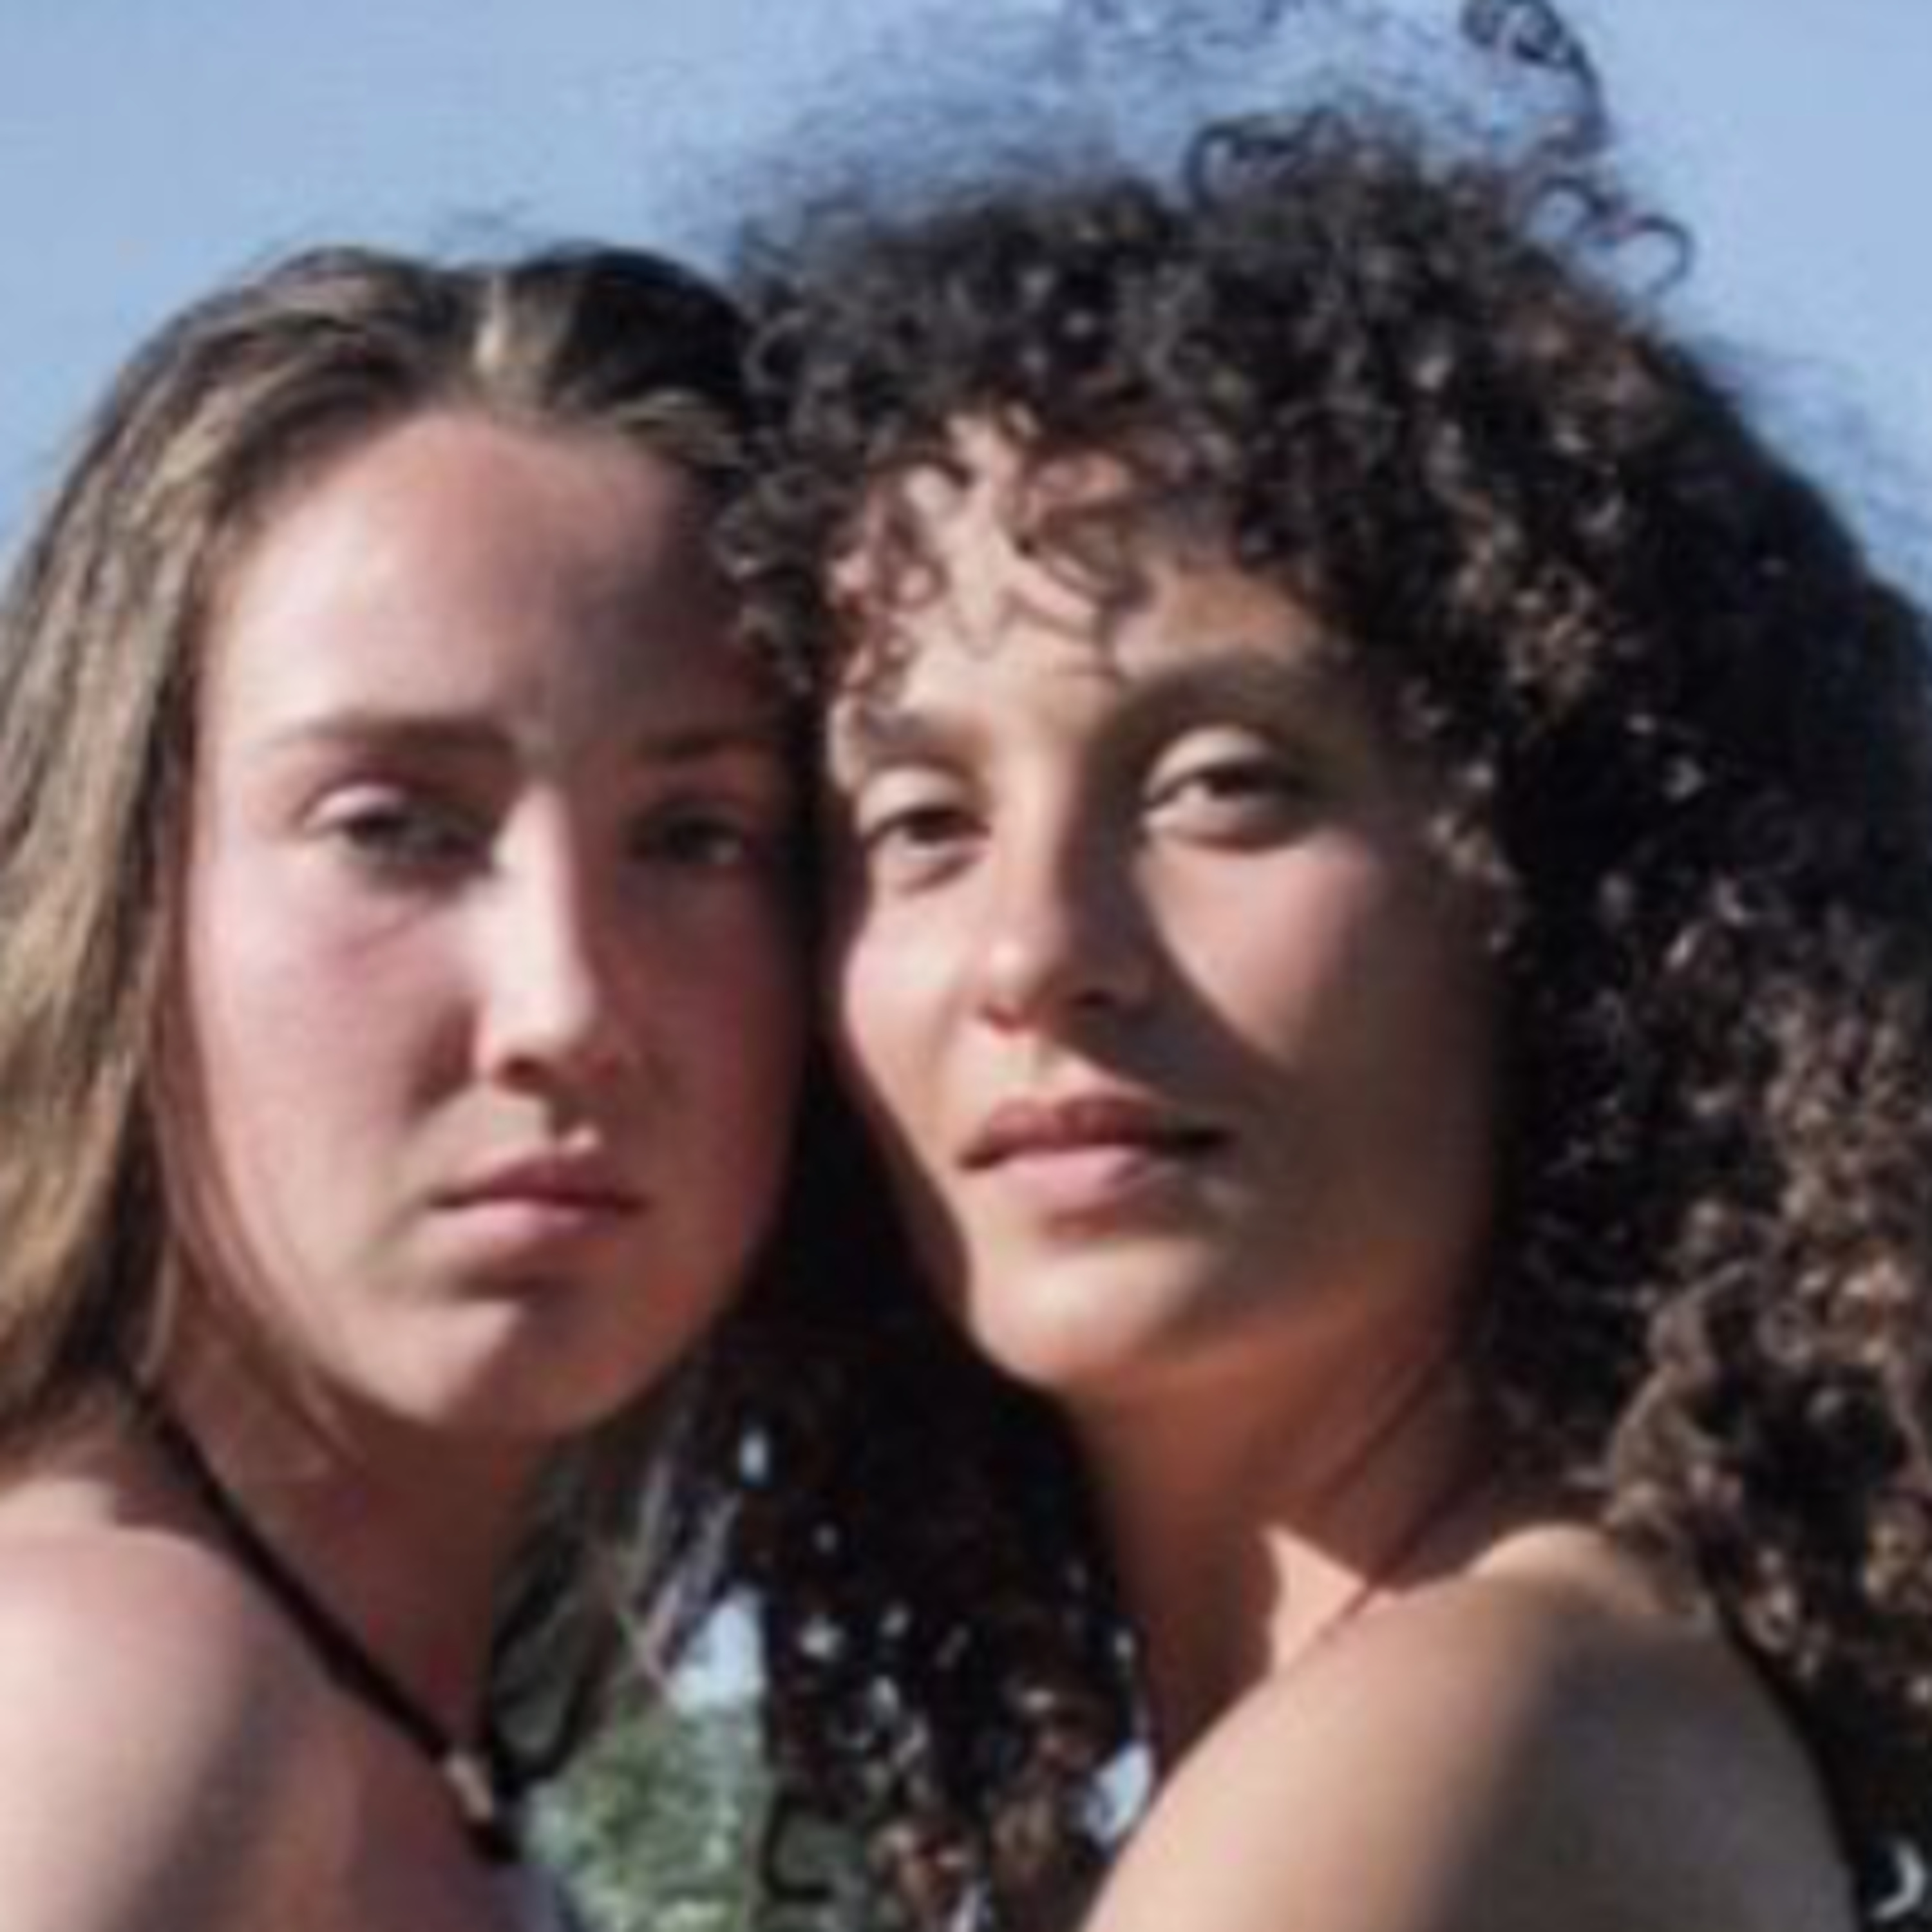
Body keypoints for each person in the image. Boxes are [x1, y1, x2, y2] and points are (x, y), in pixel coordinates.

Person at [724, 35, 1932, 1932]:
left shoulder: (1456, 1741)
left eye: (1225, 786)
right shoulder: (1524, 1704)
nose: (1037, 953)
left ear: (1576, 904)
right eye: (921, 821)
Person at [0, 242, 805, 1931]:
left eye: (697, 837)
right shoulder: (112, 1693)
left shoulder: (367, 1747)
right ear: (116, 888)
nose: (564, 1007)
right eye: (392, 827)